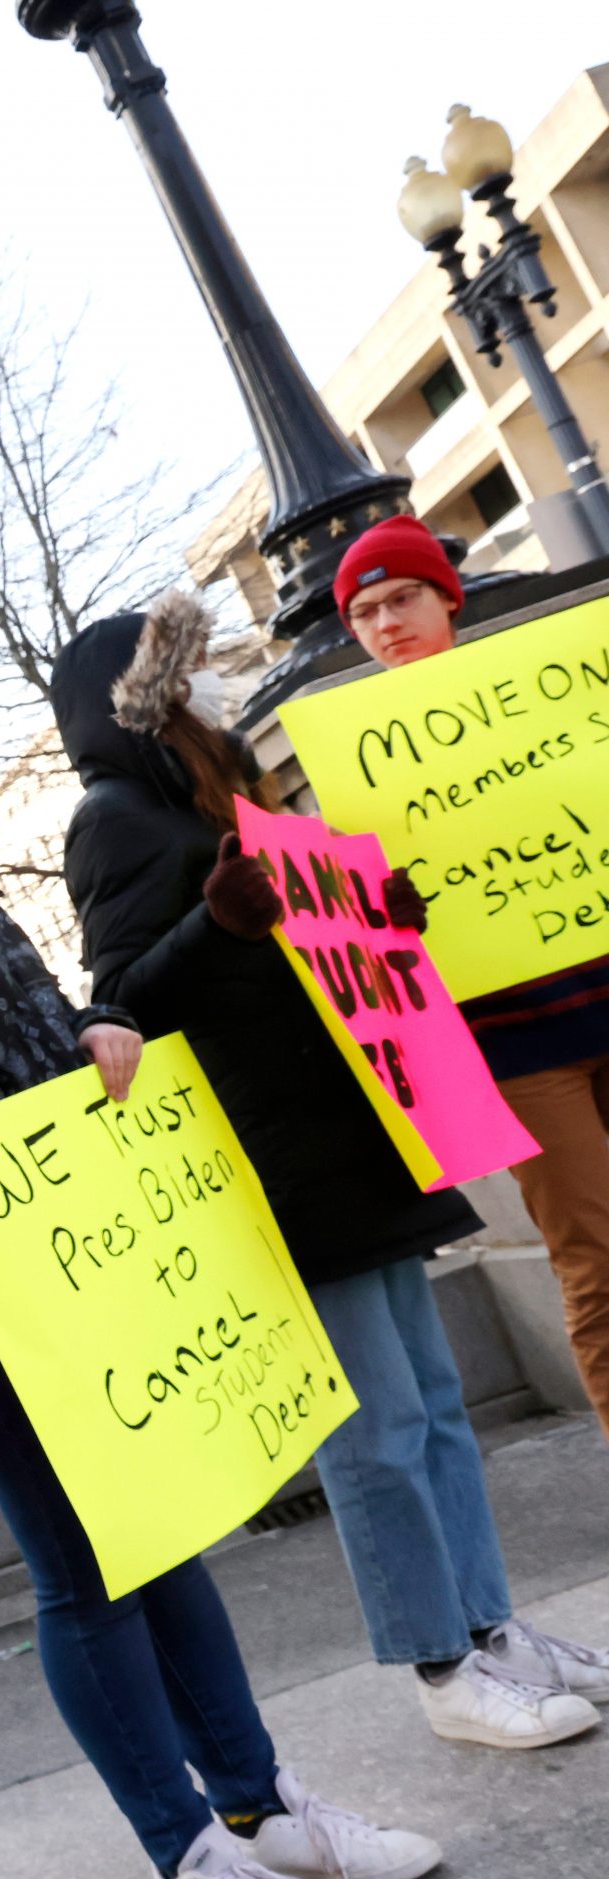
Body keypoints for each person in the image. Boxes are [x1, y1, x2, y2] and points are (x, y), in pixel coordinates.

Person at [0, 682, 439, 1879]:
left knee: (157, 1531)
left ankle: (256, 1805)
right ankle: (181, 1855)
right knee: (80, 1571)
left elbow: (25, 1030)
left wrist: (93, 1023)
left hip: (67, 1247)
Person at [51, 583, 609, 1749]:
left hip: (356, 1123)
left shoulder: (213, 788)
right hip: (286, 1151)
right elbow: (117, 1003)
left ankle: (488, 1625)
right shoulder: (113, 817)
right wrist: (218, 921)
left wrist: (374, 914)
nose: (210, 683)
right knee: (378, 1429)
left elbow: (293, 934)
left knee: (436, 1403)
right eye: (186, 669)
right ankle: (439, 1665)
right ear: (135, 698)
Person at [331, 515, 609, 1439]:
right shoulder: (351, 762)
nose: (385, 624)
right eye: (364, 613)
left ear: (446, 595)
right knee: (595, 1261)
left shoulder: (548, 693)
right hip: (520, 1047)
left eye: (402, 598)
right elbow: (355, 946)